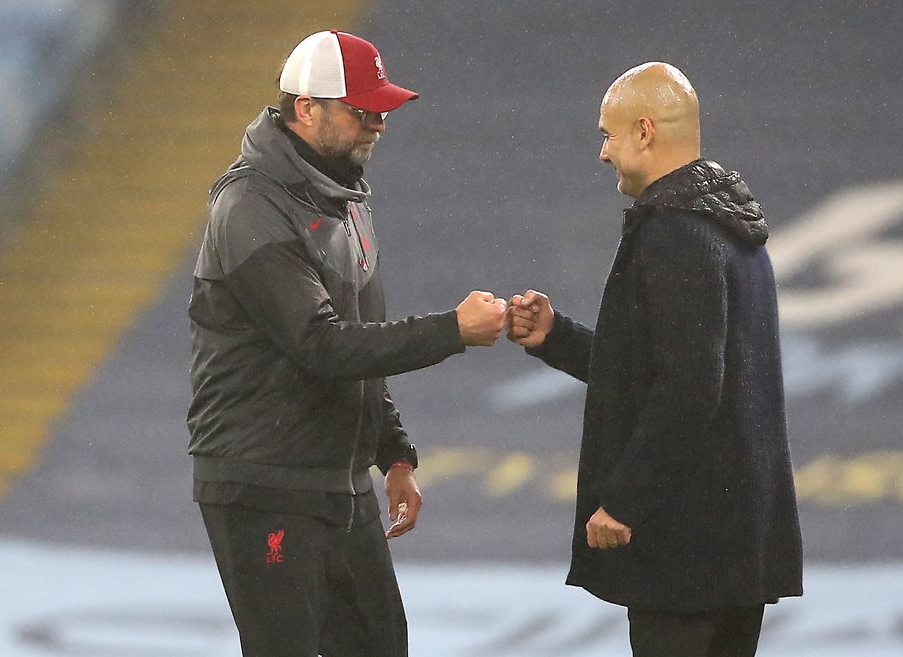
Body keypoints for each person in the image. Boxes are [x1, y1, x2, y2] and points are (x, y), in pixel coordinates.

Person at [186, 30, 506, 657]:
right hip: (265, 482)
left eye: (382, 109)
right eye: (362, 110)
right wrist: (453, 331)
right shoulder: (251, 203)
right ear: (306, 108)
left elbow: (354, 332)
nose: (378, 123)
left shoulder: (343, 195)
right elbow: (323, 347)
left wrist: (395, 453)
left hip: (335, 479)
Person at [506, 62, 803, 657]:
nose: (603, 154)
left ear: (643, 131)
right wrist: (555, 337)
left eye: (607, 135)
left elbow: (690, 386)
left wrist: (625, 496)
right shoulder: (727, 221)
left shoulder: (675, 231)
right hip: (737, 535)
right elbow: (661, 369)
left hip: (685, 545)